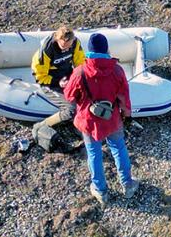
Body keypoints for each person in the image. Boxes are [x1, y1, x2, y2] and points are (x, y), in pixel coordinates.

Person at [64, 33, 136, 206]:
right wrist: (127, 116)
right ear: (106, 49)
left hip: (88, 122)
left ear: (89, 50)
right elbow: (124, 99)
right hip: (112, 120)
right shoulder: (117, 70)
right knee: (119, 148)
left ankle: (100, 191)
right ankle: (127, 184)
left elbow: (68, 96)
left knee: (94, 153)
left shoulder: (79, 72)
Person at [29, 26, 84, 148]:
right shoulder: (47, 50)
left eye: (69, 46)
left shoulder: (75, 43)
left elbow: (80, 63)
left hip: (67, 76)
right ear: (57, 40)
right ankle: (42, 125)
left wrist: (77, 79)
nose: (67, 49)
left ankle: (78, 126)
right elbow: (40, 77)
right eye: (64, 46)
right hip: (50, 82)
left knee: (85, 97)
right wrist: (57, 82)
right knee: (70, 109)